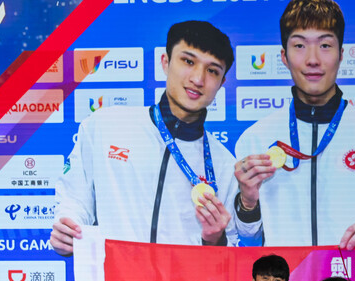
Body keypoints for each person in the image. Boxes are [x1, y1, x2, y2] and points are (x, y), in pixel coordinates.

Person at [233, 0, 355, 249]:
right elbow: (247, 237)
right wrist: (248, 202)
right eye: (299, 45)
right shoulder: (255, 139)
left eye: (325, 45)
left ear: (341, 54)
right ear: (284, 56)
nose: (313, 59)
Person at [51, 21, 238, 255]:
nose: (198, 79)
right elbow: (75, 197)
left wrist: (215, 240)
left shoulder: (224, 164)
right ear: (165, 62)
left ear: (222, 83)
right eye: (188, 61)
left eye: (212, 71)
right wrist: (69, 228)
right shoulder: (105, 125)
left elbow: (230, 251)